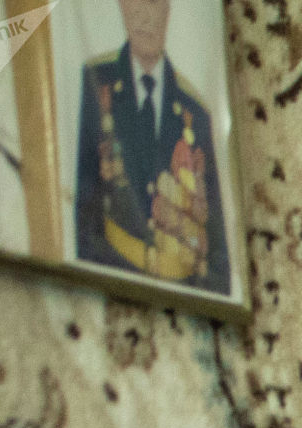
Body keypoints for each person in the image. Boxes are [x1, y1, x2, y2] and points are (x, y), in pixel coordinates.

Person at [72, 0, 230, 295]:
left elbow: (216, 246)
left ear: (168, 10)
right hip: (113, 277)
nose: (145, 16)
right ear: (122, 6)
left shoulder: (195, 112)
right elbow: (86, 207)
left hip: (181, 292)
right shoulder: (98, 82)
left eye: (154, 2)